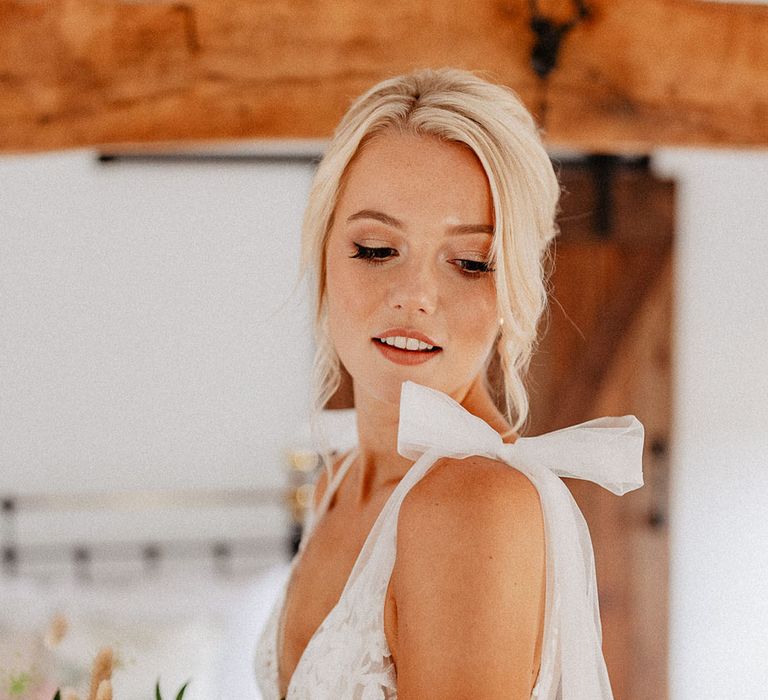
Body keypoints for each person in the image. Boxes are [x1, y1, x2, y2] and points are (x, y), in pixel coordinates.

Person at [254, 67, 644, 699]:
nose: (414, 298)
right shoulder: (337, 482)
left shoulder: (474, 505)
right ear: (324, 246)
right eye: (377, 249)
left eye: (469, 262)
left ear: (514, 286)